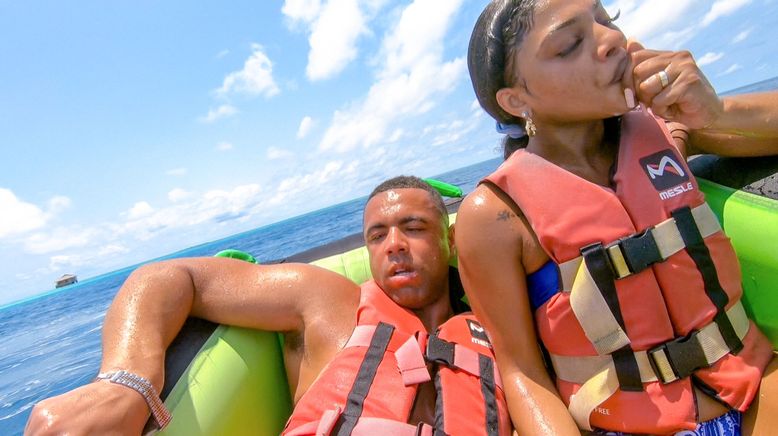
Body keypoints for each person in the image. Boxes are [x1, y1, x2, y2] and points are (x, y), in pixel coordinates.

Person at [455, 0, 778, 435]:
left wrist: (715, 111)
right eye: (570, 45)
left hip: (760, 386)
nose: (610, 42)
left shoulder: (665, 128)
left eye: (608, 22)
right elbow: (523, 375)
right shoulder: (494, 215)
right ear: (516, 100)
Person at [25, 176, 512, 436]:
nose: (394, 245)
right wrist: (128, 384)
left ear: (449, 240)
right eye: (377, 235)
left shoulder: (500, 325)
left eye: (414, 227)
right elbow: (172, 278)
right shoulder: (329, 301)